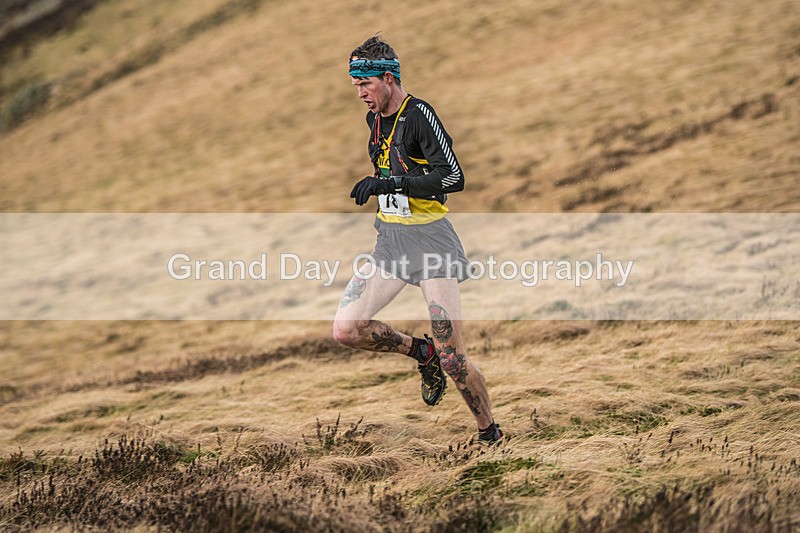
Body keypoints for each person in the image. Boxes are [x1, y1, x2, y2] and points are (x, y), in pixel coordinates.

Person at [332, 35, 502, 443]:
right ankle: (420, 353)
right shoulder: (374, 120)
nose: (360, 94)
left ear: (388, 78)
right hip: (391, 242)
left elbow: (453, 177)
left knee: (452, 358)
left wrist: (390, 183)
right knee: (347, 330)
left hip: (431, 244)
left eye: (365, 84)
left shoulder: (420, 115)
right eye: (356, 85)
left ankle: (489, 434)